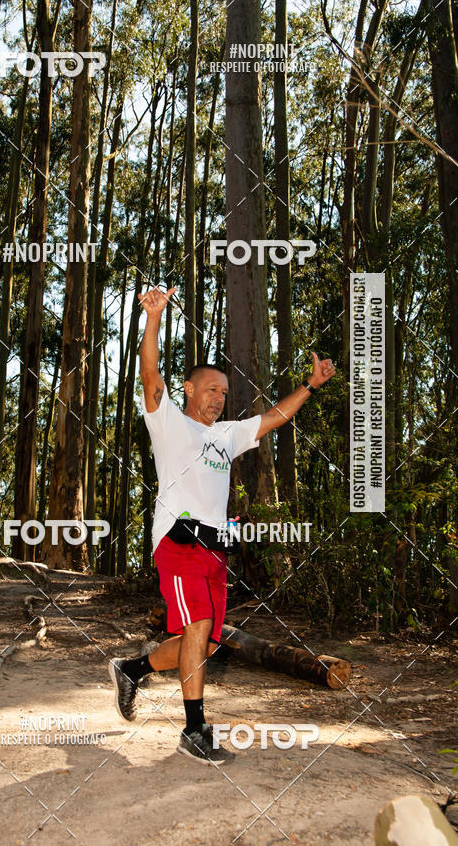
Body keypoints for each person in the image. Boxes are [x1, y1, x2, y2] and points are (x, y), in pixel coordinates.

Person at [109, 285, 336, 764]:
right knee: (198, 630)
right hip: (177, 539)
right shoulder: (168, 422)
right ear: (189, 389)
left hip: (215, 547)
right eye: (211, 389)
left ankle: (132, 667)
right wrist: (153, 321)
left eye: (225, 393)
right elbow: (150, 376)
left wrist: (311, 385)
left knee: (206, 640)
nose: (218, 398)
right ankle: (194, 730)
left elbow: (274, 417)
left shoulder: (227, 435)